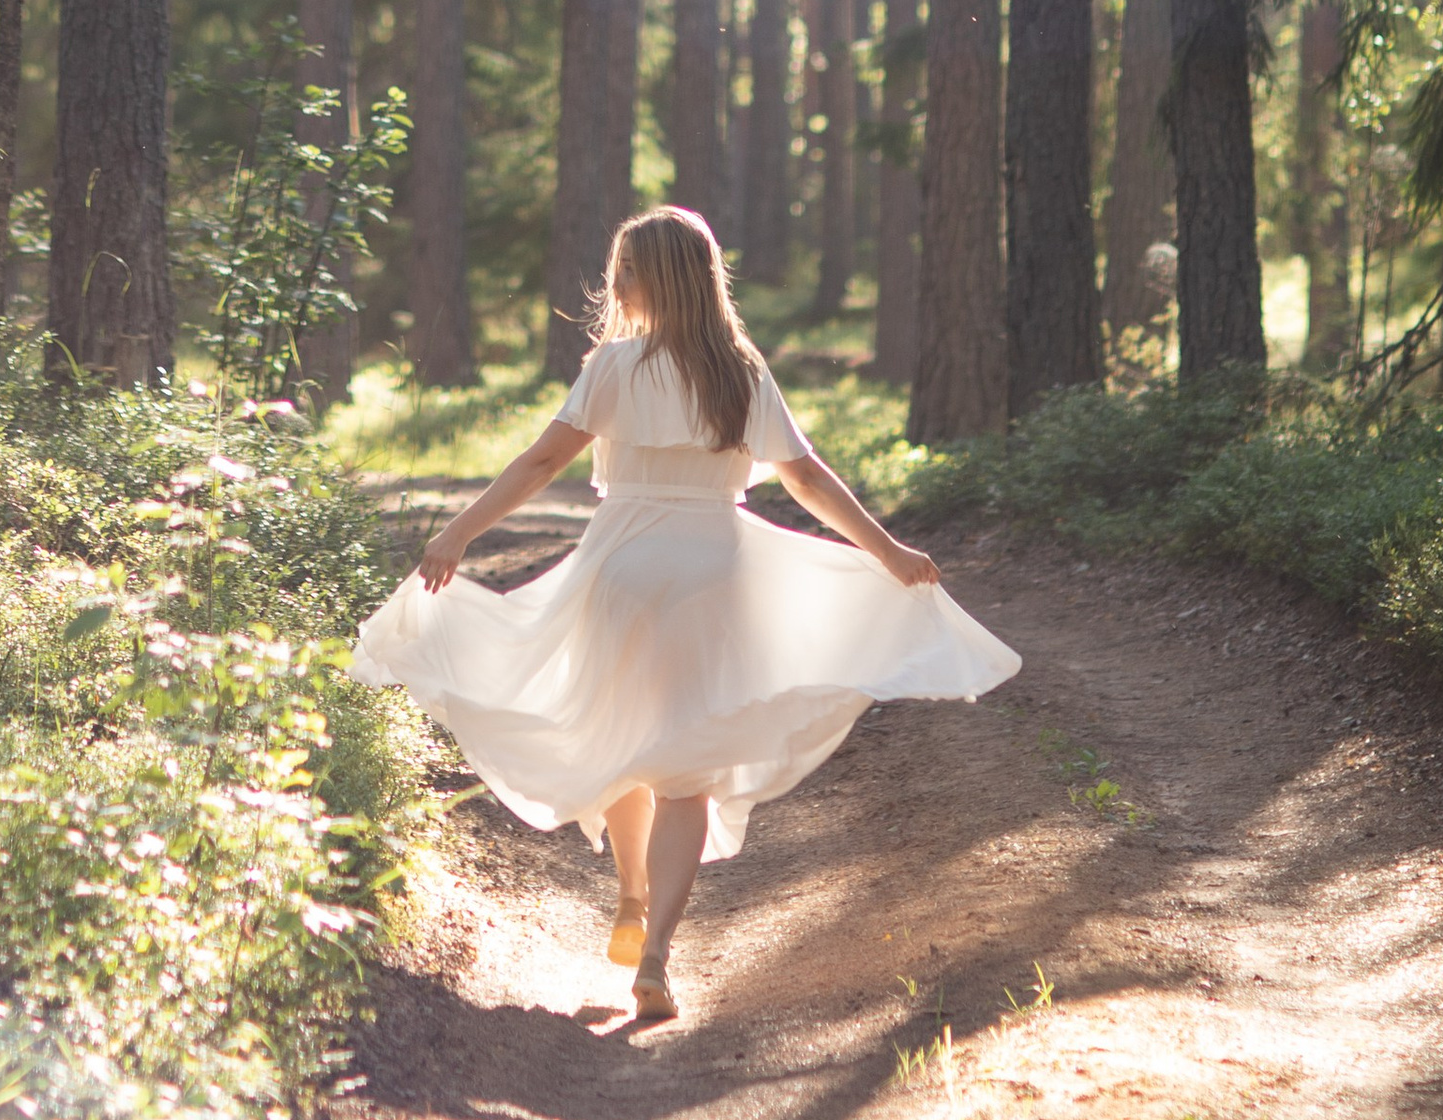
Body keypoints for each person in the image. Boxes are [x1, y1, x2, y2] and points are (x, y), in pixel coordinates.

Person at [351, 204, 1020, 1027]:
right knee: (686, 764)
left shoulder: (616, 364)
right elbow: (805, 477)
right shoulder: (740, 367)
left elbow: (542, 459)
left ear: (656, 278)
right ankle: (659, 952)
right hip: (711, 566)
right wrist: (888, 552)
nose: (616, 282)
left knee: (631, 739)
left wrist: (458, 532)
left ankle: (630, 895)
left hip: (622, 562)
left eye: (625, 268)